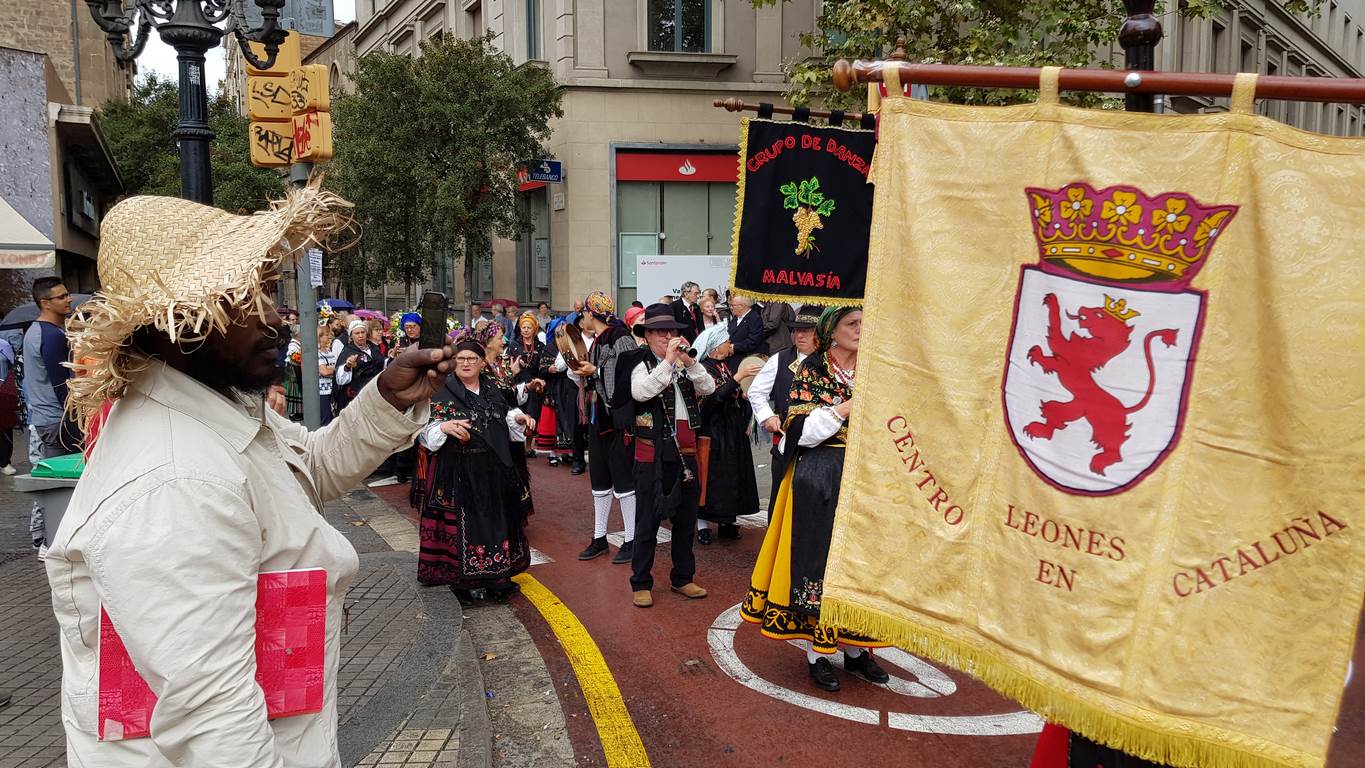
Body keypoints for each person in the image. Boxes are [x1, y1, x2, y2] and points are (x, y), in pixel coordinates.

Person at [50, 185, 448, 766]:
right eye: (240, 298)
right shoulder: (177, 478)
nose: (273, 318)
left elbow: (305, 471)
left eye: (265, 291)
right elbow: (214, 720)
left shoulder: (218, 410)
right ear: (173, 322)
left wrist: (383, 398)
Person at [741, 306, 889, 692]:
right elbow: (801, 431)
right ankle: (818, 655)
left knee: (858, 565)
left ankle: (857, 651)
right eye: (852, 324)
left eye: (863, 322)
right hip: (819, 477)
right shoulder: (813, 370)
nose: (861, 329)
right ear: (832, 331)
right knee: (816, 564)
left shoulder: (875, 367)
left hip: (864, 477)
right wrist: (844, 408)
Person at [416, 331, 536, 604]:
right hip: (457, 469)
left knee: (496, 522)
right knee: (465, 526)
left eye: (472, 358)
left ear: (483, 362)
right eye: (460, 359)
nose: (466, 363)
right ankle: (464, 583)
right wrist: (444, 427)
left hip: (493, 466)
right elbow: (423, 431)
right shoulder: (441, 391)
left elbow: (505, 415)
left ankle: (497, 576)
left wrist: (519, 419)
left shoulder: (493, 388)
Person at [613, 303, 715, 608]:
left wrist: (687, 361)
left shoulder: (684, 363)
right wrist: (668, 362)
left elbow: (708, 387)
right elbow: (642, 393)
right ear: (647, 335)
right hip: (652, 455)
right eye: (659, 331)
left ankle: (683, 578)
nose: (667, 336)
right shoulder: (638, 362)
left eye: (671, 331)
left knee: (686, 521)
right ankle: (640, 582)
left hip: (686, 453)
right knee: (647, 521)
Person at [571, 292, 639, 564]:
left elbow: (625, 375)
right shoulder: (599, 339)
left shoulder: (620, 337)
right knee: (599, 478)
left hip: (617, 419)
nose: (583, 318)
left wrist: (594, 372)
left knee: (623, 480)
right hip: (599, 418)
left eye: (584, 313)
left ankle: (632, 539)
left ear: (590, 313)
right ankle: (599, 537)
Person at [748, 305, 822, 513]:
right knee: (780, 496)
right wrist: (767, 417)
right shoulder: (780, 359)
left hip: (822, 446)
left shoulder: (830, 361)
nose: (800, 335)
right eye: (797, 330)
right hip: (785, 440)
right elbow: (756, 392)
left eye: (807, 330)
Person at [695, 335, 763, 544]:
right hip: (713, 430)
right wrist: (737, 378)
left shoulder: (723, 365)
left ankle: (727, 521)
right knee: (712, 477)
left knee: (732, 476)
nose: (730, 345)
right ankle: (703, 525)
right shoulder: (704, 368)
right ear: (716, 346)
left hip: (731, 429)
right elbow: (712, 399)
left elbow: (729, 393)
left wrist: (742, 395)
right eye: (726, 341)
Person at [24, 276, 74, 556]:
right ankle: (50, 543)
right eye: (62, 296)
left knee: (50, 480)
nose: (68, 300)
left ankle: (44, 539)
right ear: (45, 302)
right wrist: (73, 420)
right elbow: (61, 383)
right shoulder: (53, 335)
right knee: (59, 484)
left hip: (44, 418)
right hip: (56, 419)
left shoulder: (34, 332)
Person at [336, 319, 385, 410]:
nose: (361, 335)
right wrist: (348, 366)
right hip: (356, 396)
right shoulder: (347, 352)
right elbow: (340, 380)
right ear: (351, 336)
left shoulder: (374, 348)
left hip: (375, 392)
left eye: (363, 332)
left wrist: (392, 357)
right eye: (357, 333)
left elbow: (382, 366)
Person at [722, 293, 764, 360]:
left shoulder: (754, 318)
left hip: (746, 359)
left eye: (733, 305)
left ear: (742, 306)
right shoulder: (735, 318)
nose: (731, 308)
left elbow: (753, 341)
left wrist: (734, 347)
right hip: (732, 358)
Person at [0, 337, 17, 474]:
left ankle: (5, 461)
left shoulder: (3, 345)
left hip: (3, 391)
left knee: (4, 427)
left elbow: (13, 366)